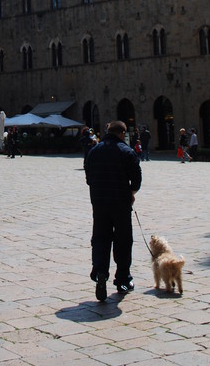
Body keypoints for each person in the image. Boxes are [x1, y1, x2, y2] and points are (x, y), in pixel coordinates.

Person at [84, 120, 142, 301]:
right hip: (121, 203)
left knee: (100, 238)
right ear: (122, 133)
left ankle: (101, 272)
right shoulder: (127, 152)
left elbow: (88, 178)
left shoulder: (94, 151)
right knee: (123, 240)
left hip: (99, 204)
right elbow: (137, 179)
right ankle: (123, 280)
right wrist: (131, 192)